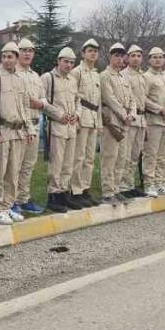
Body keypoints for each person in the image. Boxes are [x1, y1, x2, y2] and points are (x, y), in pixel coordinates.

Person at [0, 42, 31, 224]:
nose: (7, 60)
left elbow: (24, 107)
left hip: (17, 133)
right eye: (4, 56)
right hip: (1, 131)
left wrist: (29, 128)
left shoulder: (20, 79)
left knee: (13, 172)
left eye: (10, 56)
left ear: (17, 58)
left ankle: (7, 206)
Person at [41, 47, 80, 212]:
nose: (69, 65)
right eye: (66, 61)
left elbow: (78, 100)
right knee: (56, 163)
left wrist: (77, 114)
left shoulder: (72, 80)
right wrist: (58, 115)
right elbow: (42, 101)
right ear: (58, 61)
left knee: (68, 162)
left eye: (72, 62)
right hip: (56, 125)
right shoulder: (48, 78)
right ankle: (53, 195)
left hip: (71, 126)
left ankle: (64, 193)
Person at [99, 43, 137, 205]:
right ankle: (108, 192)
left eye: (122, 56)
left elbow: (132, 98)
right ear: (110, 57)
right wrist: (124, 115)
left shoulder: (123, 77)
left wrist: (132, 114)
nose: (120, 59)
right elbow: (109, 99)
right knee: (110, 157)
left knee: (122, 157)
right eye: (117, 55)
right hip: (112, 122)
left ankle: (116, 189)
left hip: (125, 122)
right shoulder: (105, 75)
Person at [13, 38, 47, 217]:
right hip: (19, 127)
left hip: (34, 124)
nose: (27, 54)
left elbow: (44, 99)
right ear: (18, 53)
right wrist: (31, 102)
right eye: (24, 50)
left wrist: (39, 103)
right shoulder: (13, 74)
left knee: (28, 166)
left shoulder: (35, 76)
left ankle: (23, 199)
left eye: (30, 51)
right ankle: (11, 201)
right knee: (14, 166)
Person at [139, 47, 165, 196]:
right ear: (149, 60)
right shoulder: (146, 77)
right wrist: (159, 109)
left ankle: (161, 183)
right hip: (153, 121)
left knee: (164, 155)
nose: (158, 60)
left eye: (160, 57)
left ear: (164, 59)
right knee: (150, 154)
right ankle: (149, 184)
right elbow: (143, 98)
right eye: (154, 57)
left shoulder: (164, 77)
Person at [69, 39, 102, 207]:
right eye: (90, 50)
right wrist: (77, 119)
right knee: (79, 157)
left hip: (94, 118)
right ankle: (75, 190)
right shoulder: (77, 72)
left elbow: (99, 101)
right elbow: (74, 97)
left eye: (96, 51)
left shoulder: (96, 74)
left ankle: (85, 189)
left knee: (90, 157)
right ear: (83, 53)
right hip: (82, 117)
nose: (93, 53)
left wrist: (100, 123)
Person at [123, 45, 147, 197]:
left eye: (138, 55)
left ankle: (130, 184)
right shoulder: (123, 75)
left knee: (135, 154)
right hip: (130, 117)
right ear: (127, 58)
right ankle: (123, 185)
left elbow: (145, 99)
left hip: (142, 118)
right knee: (126, 153)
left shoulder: (143, 76)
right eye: (133, 55)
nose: (136, 58)